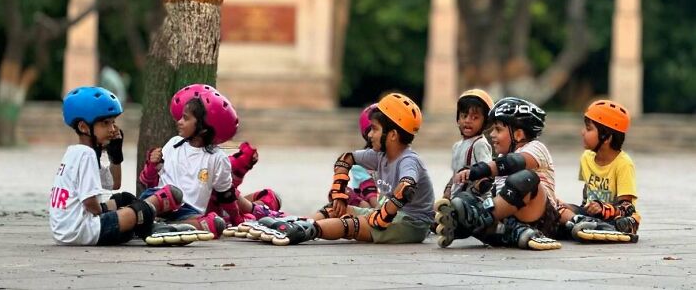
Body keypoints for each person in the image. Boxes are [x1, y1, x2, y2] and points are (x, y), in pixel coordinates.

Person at [240, 93, 435, 246]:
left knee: (351, 224)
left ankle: (304, 231)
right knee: (336, 209)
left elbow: (406, 188)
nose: (370, 134)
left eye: (375, 129)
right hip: (386, 215)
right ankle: (295, 222)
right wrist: (339, 193)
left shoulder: (408, 161)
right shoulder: (380, 155)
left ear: (392, 135)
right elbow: (346, 159)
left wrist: (382, 216)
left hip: (411, 224)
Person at [50, 86, 191, 246]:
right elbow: (90, 204)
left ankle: (143, 222)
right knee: (141, 210)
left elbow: (114, 184)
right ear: (83, 127)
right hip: (82, 231)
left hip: (66, 231)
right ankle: (151, 228)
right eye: (105, 123)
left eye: (113, 122)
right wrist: (119, 215)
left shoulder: (75, 152)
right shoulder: (86, 155)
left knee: (124, 199)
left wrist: (115, 155)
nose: (112, 129)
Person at [138, 84, 281, 239]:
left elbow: (226, 196)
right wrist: (152, 165)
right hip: (160, 202)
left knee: (215, 224)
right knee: (169, 195)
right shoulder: (173, 143)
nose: (179, 121)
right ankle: (148, 218)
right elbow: (146, 180)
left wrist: (237, 220)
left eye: (185, 118)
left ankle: (163, 227)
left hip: (188, 213)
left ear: (203, 129)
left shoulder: (217, 158)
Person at [435, 97, 561, 250]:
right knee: (467, 198)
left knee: (526, 178)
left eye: (498, 130)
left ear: (519, 134)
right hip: (508, 218)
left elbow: (512, 163)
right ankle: (510, 231)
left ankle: (480, 219)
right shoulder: (501, 157)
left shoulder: (536, 148)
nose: (492, 134)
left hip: (542, 218)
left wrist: (478, 170)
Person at [557, 100, 640, 243]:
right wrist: (576, 209)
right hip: (589, 215)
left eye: (589, 129)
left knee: (627, 221)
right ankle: (584, 224)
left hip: (615, 217)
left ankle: (601, 227)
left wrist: (602, 208)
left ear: (606, 137)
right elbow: (586, 192)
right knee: (556, 207)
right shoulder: (586, 158)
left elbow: (628, 207)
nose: (582, 132)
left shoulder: (624, 164)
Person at [443, 89, 494, 200]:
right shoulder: (457, 146)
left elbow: (487, 173)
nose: (467, 120)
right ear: (458, 119)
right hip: (457, 201)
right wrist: (448, 189)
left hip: (474, 202)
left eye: (475, 117)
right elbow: (456, 173)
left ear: (485, 122)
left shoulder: (479, 144)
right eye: (464, 115)